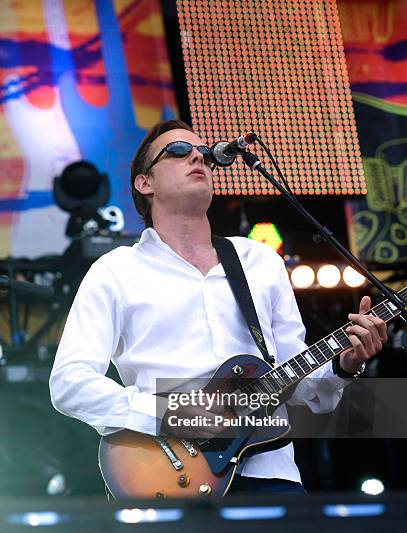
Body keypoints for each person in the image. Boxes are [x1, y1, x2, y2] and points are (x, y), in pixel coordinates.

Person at [49, 119, 388, 496]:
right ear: (145, 184)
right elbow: (69, 384)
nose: (198, 156)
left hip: (270, 475)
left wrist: (346, 364)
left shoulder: (259, 261)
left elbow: (310, 392)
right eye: (177, 151)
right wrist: (167, 413)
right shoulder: (115, 271)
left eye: (205, 154)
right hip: (164, 475)